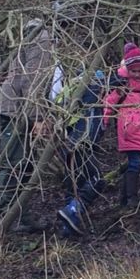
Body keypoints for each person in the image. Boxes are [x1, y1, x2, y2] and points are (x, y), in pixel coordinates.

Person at [0, 17, 53, 232]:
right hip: (16, 111)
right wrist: (36, 117)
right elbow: (32, 80)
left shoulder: (29, 39)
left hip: (17, 109)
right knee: (15, 164)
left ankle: (20, 215)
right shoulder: (43, 40)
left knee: (24, 165)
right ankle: (6, 219)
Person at [103, 43, 140, 208]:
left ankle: (125, 198)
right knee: (135, 163)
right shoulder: (122, 85)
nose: (137, 74)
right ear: (128, 69)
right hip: (129, 128)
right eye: (134, 71)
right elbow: (109, 102)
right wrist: (105, 120)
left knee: (135, 163)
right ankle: (131, 199)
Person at [55, 70, 107, 238]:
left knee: (74, 184)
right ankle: (72, 210)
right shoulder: (90, 101)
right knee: (96, 178)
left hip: (69, 145)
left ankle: (67, 229)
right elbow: (89, 130)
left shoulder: (73, 100)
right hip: (80, 145)